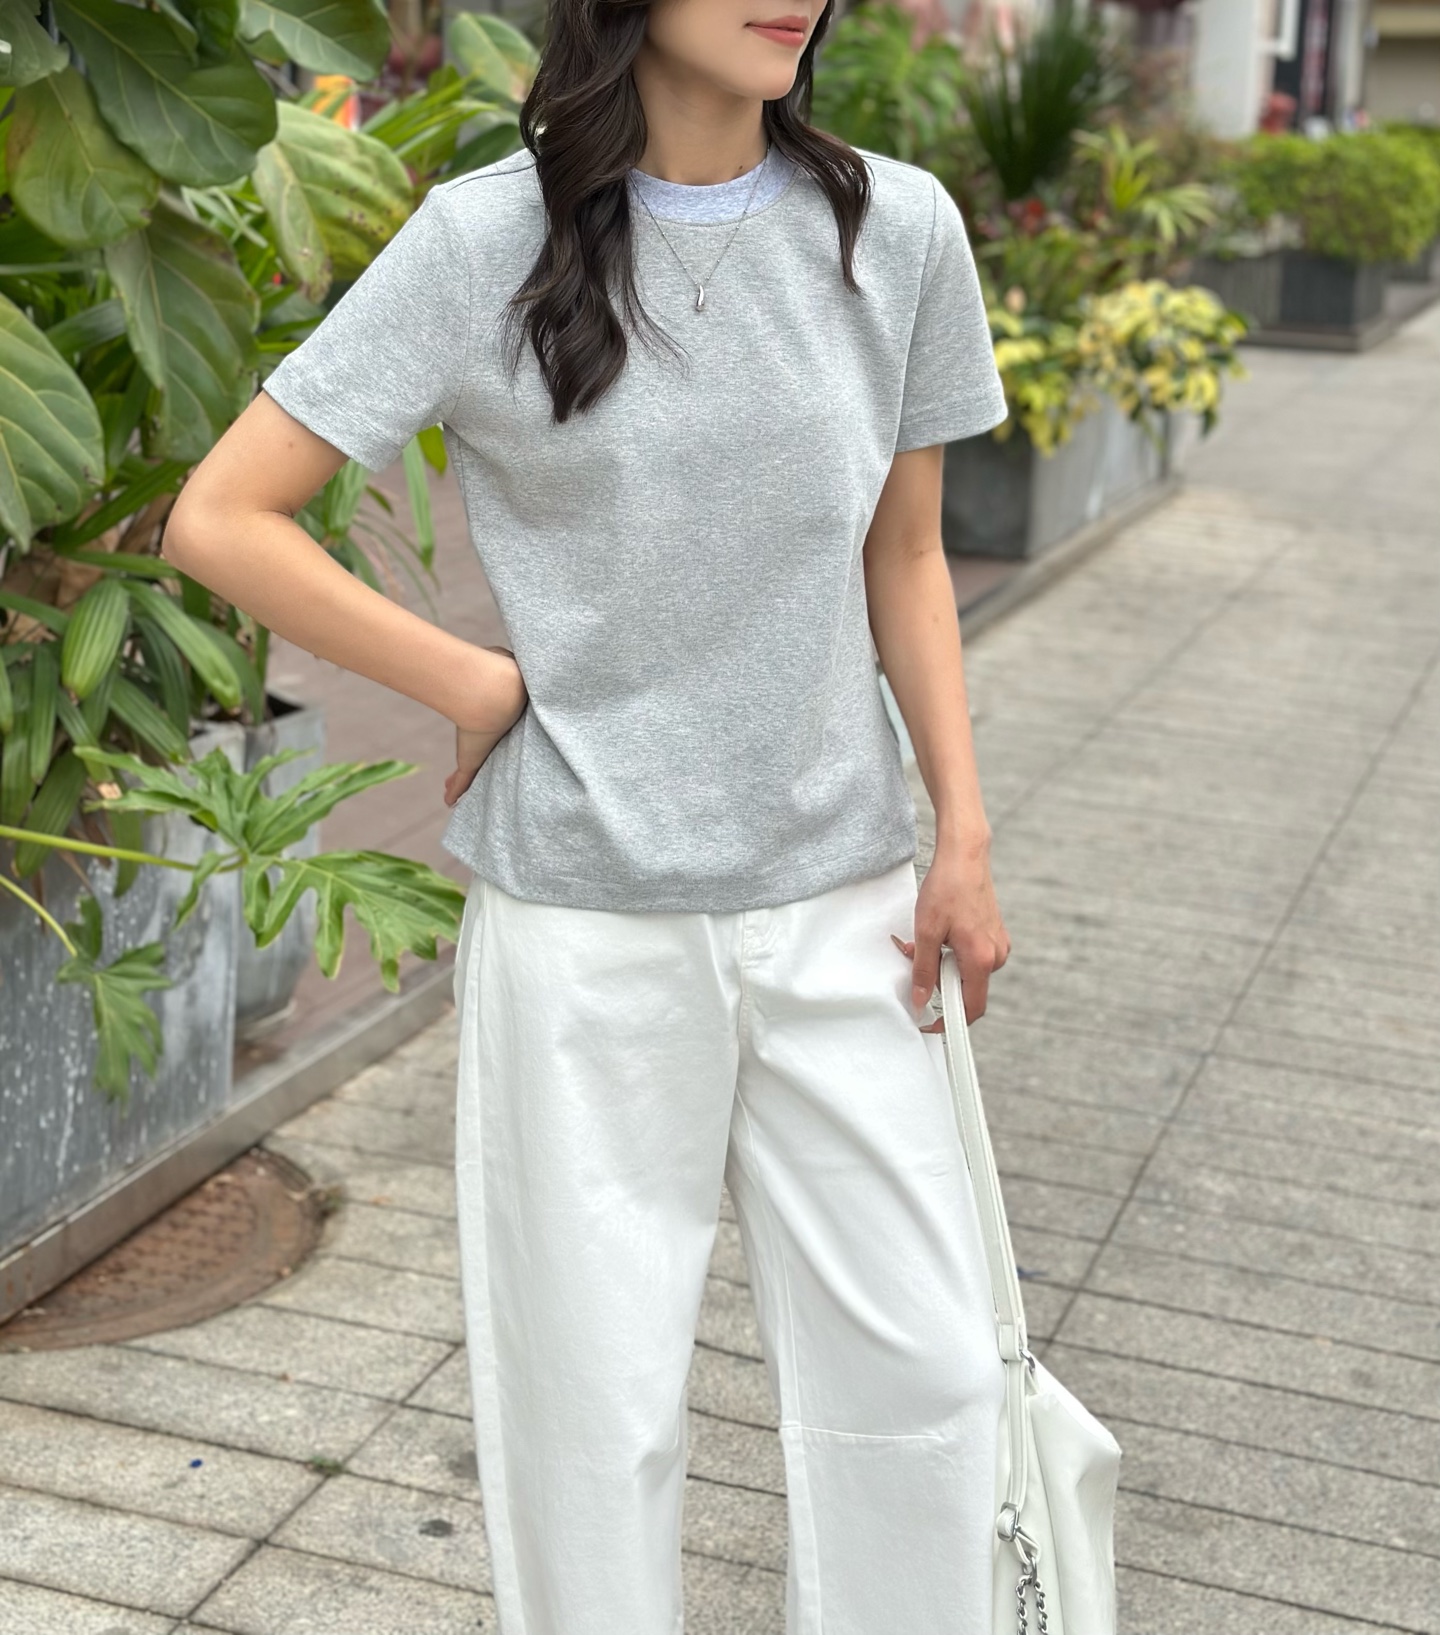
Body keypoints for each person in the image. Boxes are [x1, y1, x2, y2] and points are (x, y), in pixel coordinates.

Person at [164, 0, 1014, 1629]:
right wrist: (473, 682)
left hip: (847, 898)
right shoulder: (482, 239)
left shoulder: (894, 228)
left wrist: (961, 834)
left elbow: (904, 553)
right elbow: (224, 514)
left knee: (930, 1376)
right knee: (592, 1411)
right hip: (584, 919)